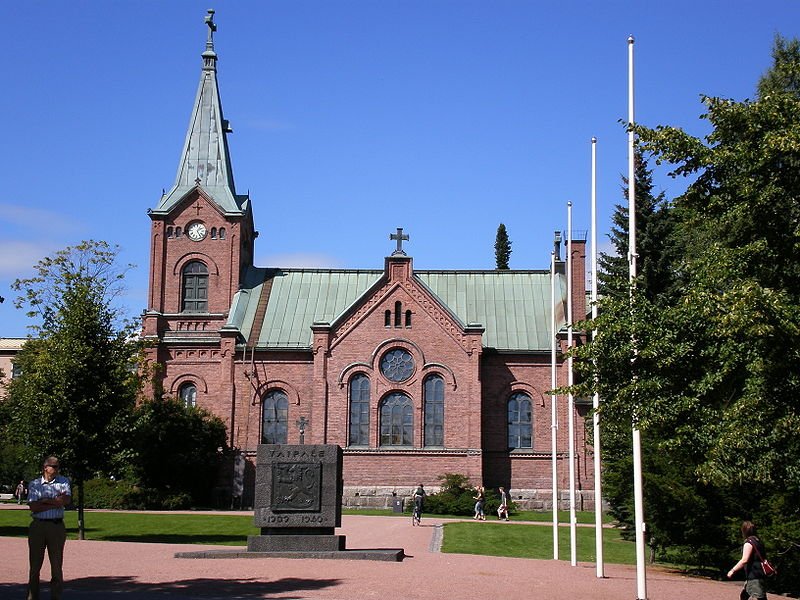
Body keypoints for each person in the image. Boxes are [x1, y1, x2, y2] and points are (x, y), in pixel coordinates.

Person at [27, 456, 71, 600]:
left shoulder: (63, 481)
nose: (57, 469)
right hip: (38, 526)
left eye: (58, 466)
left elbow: (65, 500)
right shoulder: (34, 484)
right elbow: (33, 506)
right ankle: (33, 596)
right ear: (45, 467)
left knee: (57, 566)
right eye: (54, 466)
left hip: (56, 525)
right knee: (35, 566)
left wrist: (45, 501)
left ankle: (56, 596)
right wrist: (55, 501)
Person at [727, 520, 769, 600]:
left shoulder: (749, 543)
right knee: (744, 596)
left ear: (744, 531)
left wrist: (733, 570)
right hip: (759, 574)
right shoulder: (758, 541)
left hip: (754, 575)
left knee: (759, 598)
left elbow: (744, 560)